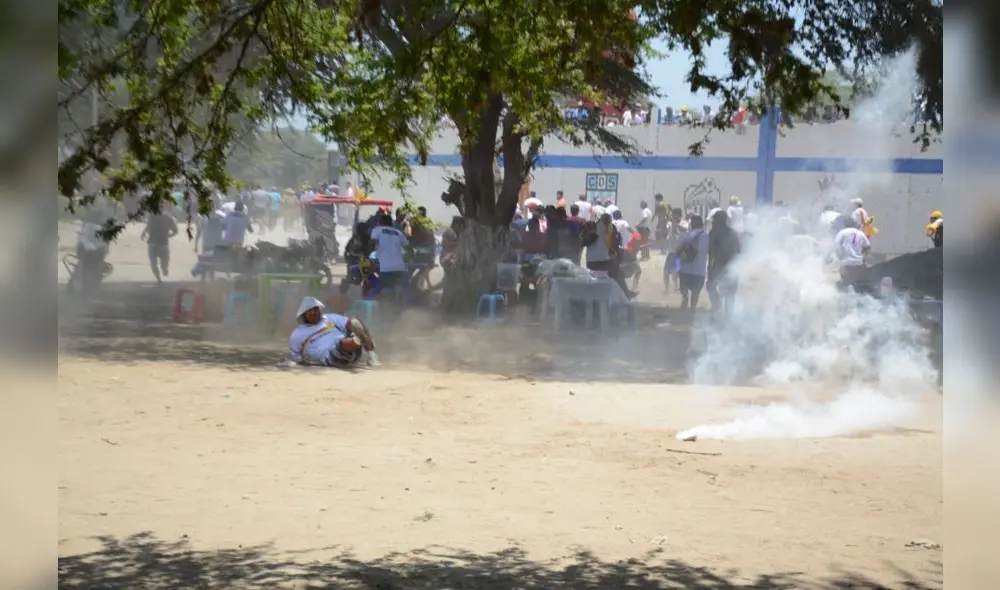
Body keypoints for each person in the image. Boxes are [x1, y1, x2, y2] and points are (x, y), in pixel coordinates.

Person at [288, 296, 378, 368]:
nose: (314, 312)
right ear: (304, 315)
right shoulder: (297, 334)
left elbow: (348, 323)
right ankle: (358, 340)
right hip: (332, 357)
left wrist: (355, 325)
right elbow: (296, 357)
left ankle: (371, 355)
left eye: (316, 309)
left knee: (354, 321)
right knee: (341, 343)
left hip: (353, 351)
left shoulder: (328, 318)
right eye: (310, 311)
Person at [707, 209, 741, 315]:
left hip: (721, 265)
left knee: (712, 287)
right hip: (732, 266)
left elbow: (711, 254)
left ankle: (716, 309)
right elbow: (739, 251)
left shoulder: (714, 233)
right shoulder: (733, 233)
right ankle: (727, 316)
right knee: (729, 294)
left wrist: (710, 274)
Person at [673, 214, 709, 310]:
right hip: (699, 271)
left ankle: (684, 300)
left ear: (691, 225)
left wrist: (677, 267)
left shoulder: (686, 235)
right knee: (695, 293)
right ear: (702, 224)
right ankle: (693, 310)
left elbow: (677, 251)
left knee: (684, 292)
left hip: (685, 269)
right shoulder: (706, 236)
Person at [369, 213, 408, 293]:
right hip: (399, 268)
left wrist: (367, 256)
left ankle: (386, 303)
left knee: (382, 289)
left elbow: (372, 244)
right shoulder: (399, 233)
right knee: (397, 289)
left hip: (385, 268)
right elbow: (409, 248)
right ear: (391, 223)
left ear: (380, 223)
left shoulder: (377, 230)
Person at [140, 211, 178, 283]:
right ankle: (159, 279)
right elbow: (148, 226)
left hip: (163, 244)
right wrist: (143, 232)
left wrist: (169, 236)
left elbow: (175, 231)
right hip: (152, 244)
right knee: (153, 264)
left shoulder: (168, 219)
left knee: (164, 264)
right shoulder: (152, 217)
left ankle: (164, 268)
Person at [834, 219, 870, 288]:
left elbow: (836, 245)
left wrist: (839, 257)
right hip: (858, 263)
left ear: (846, 225)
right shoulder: (861, 233)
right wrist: (864, 259)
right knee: (855, 282)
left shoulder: (842, 232)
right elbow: (867, 246)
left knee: (845, 282)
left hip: (846, 262)